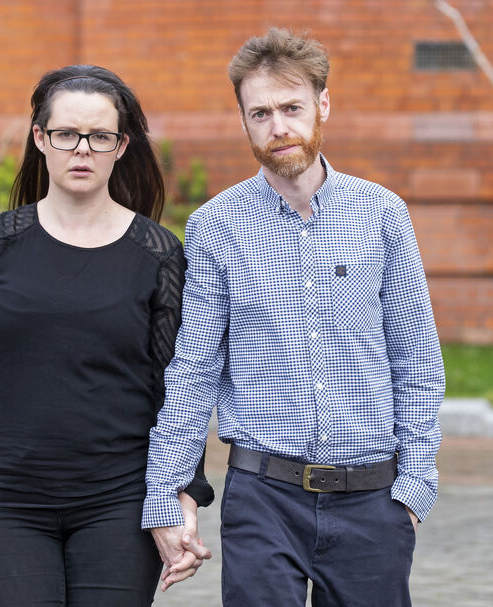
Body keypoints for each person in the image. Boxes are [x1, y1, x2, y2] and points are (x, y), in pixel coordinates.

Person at [143, 28, 445, 606]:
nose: (278, 127)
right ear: (243, 121)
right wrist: (168, 491)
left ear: (322, 105)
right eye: (260, 113)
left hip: (372, 500)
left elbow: (418, 361)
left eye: (291, 108)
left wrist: (414, 490)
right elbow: (194, 369)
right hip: (263, 497)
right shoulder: (215, 226)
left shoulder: (381, 213)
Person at [0, 64, 213, 607]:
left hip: (119, 500)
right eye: (66, 134)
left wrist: (182, 493)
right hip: (6, 502)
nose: (82, 150)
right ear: (40, 139)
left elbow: (179, 392)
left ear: (120, 146)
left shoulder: (160, 254)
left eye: (100, 137)